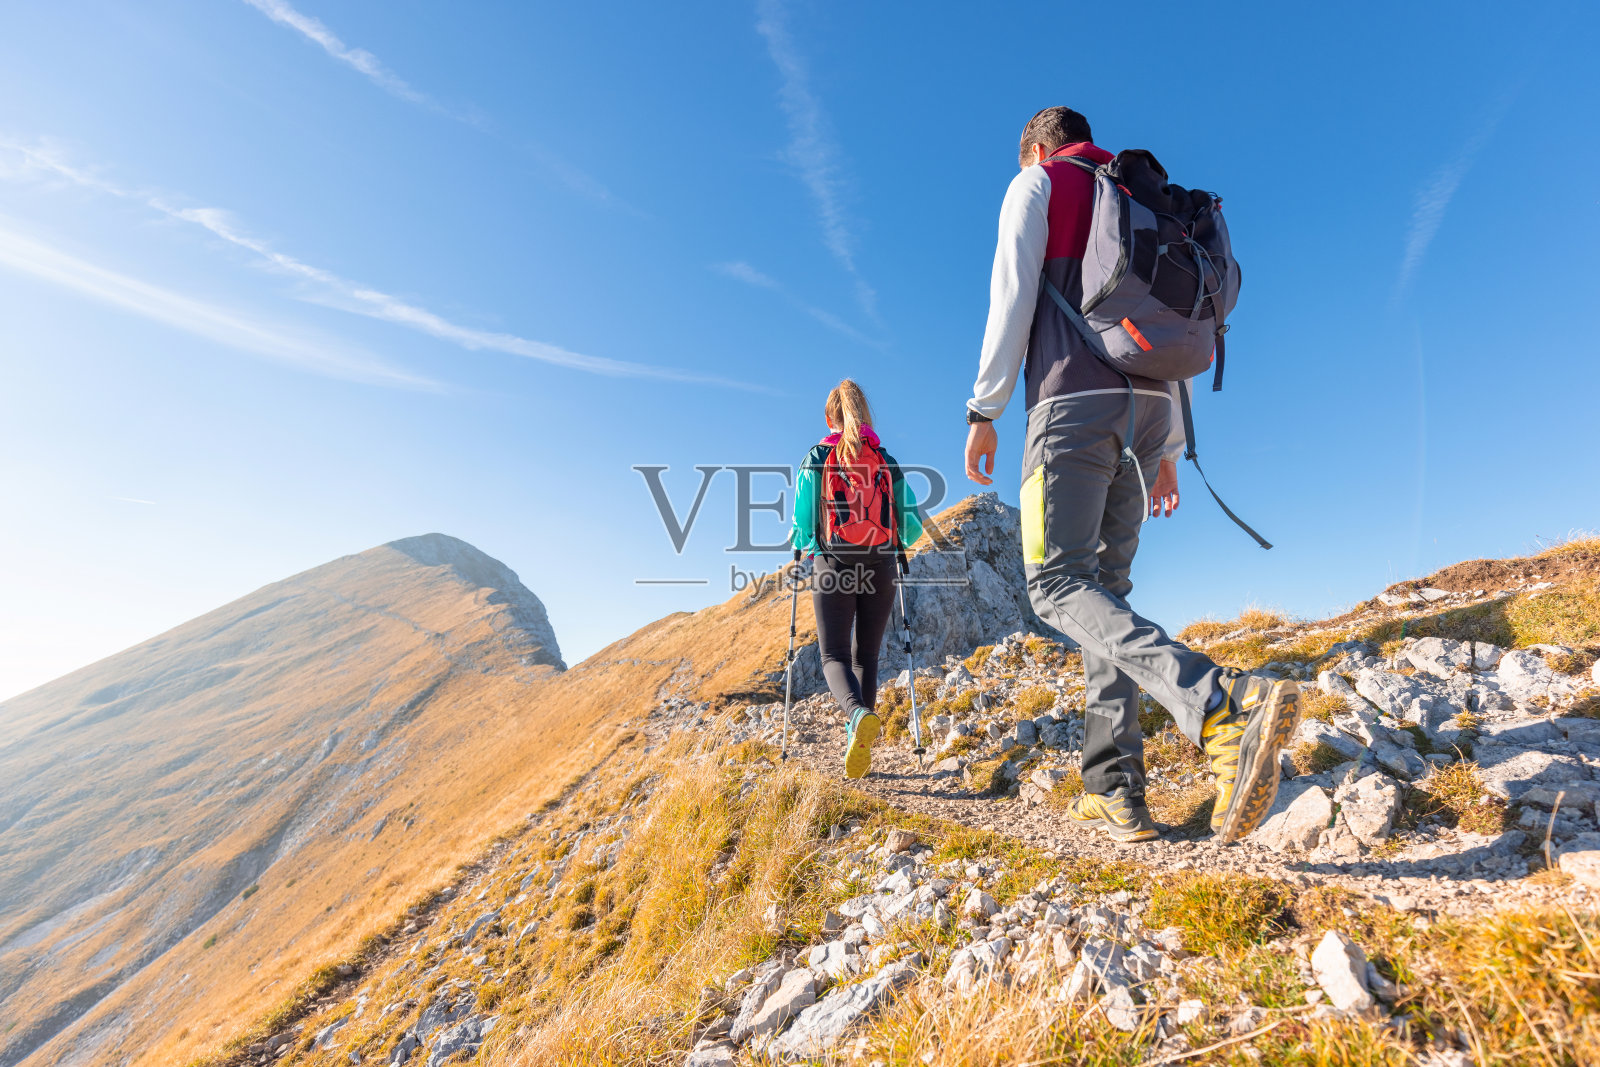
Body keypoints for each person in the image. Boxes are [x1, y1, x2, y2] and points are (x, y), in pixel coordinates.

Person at [963, 107, 1299, 844]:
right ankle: (1114, 786)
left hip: (1071, 405)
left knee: (1055, 585)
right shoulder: (1140, 198)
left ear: (1037, 148)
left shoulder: (1041, 183)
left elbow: (1013, 293)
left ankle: (1221, 707)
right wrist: (1170, 444)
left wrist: (983, 407)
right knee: (1103, 594)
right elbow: (1169, 328)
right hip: (1150, 414)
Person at [791, 379, 923, 779]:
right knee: (865, 655)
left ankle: (857, 715)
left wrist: (803, 544)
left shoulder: (817, 456)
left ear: (830, 417)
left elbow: (802, 521)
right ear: (865, 415)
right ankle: (859, 738)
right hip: (881, 564)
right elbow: (913, 526)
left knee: (832, 656)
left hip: (833, 563)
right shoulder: (885, 460)